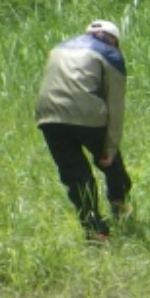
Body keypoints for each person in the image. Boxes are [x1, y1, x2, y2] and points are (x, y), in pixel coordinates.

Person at [35, 19, 130, 244]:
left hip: (47, 116)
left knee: (75, 176)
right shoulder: (111, 55)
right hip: (87, 114)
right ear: (114, 41)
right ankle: (119, 204)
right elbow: (115, 107)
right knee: (110, 161)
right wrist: (110, 148)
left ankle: (95, 231)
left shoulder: (58, 48)